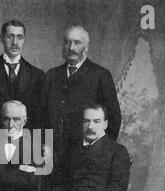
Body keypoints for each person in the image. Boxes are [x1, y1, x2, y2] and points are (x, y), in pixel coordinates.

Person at [42, 26, 121, 157]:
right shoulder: (52, 75)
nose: (71, 48)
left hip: (84, 156)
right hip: (52, 154)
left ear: (86, 46)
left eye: (77, 43)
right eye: (67, 42)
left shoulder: (100, 75)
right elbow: (41, 114)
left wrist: (100, 152)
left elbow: (113, 118)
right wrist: (43, 145)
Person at [0, 20, 45, 131]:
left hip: (26, 144)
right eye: (10, 37)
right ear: (1, 38)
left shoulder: (37, 75)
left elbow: (40, 118)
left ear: (24, 39)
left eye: (19, 37)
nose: (15, 43)